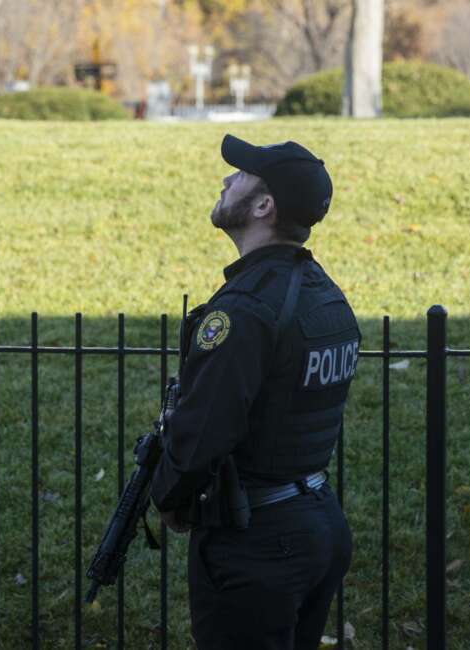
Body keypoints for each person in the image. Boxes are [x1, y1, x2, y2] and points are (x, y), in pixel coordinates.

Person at [149, 134, 361, 650]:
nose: (227, 180)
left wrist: (167, 497)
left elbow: (202, 433)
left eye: (240, 176)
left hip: (258, 542)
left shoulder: (243, 311)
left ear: (264, 206)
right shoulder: (324, 295)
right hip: (317, 523)